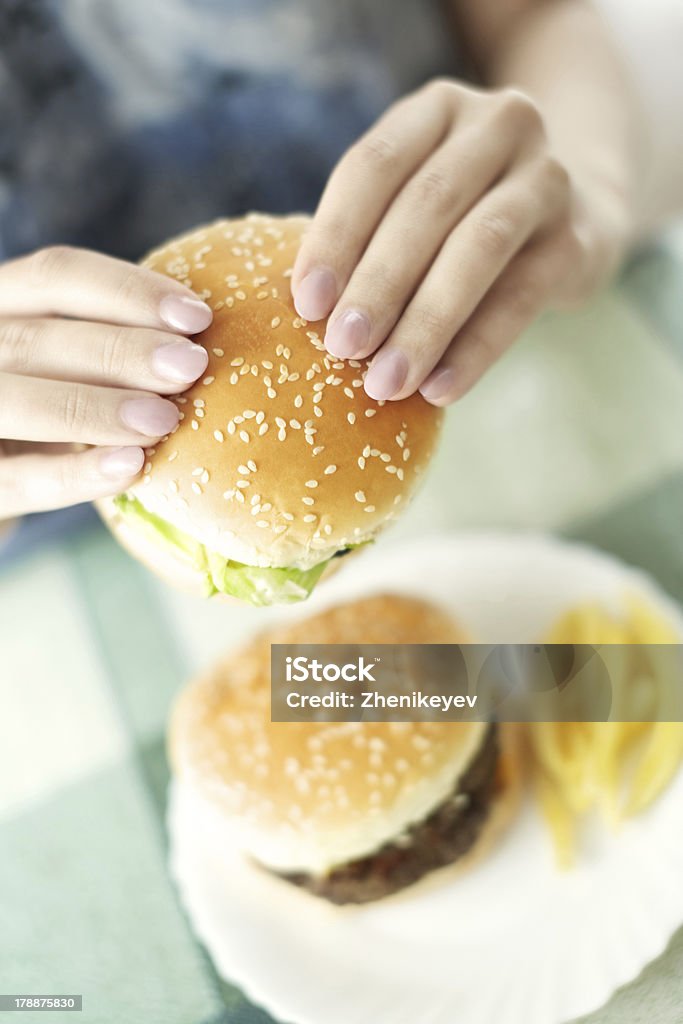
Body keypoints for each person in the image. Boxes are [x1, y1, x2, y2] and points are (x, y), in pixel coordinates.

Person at [0, 0, 679, 521]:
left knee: (591, 683)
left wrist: (581, 185)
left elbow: (536, 16)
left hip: (513, 368)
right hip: (54, 551)